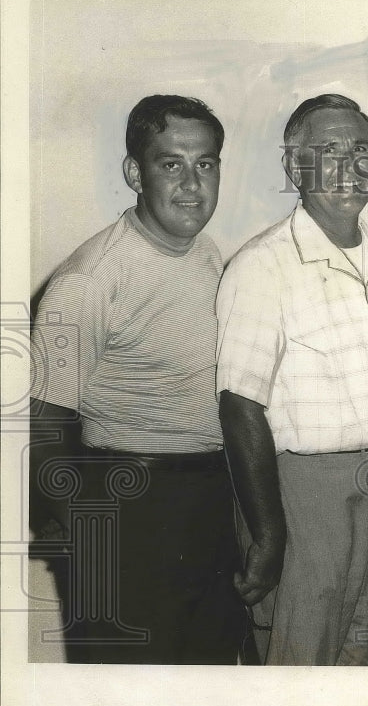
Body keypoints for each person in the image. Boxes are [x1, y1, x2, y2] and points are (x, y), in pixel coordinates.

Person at [29, 94, 244, 664]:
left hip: (206, 501)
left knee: (210, 693)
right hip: (126, 507)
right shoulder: (89, 280)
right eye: (171, 163)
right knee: (129, 704)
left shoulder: (204, 252)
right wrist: (93, 541)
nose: (192, 184)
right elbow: (44, 428)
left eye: (206, 163)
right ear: (134, 172)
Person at [216, 94, 368, 666]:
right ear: (293, 167)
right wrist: (269, 536)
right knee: (298, 672)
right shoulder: (262, 265)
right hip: (302, 495)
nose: (350, 164)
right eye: (327, 151)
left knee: (365, 669)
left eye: (362, 148)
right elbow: (240, 406)